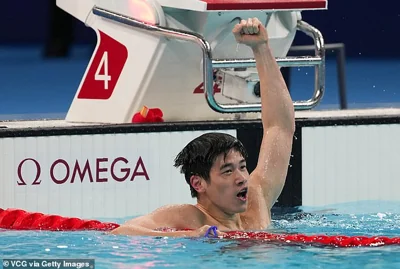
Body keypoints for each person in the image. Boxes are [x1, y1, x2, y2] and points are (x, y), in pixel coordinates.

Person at [110, 18, 295, 237]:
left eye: (242, 166)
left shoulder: (257, 200)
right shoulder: (189, 217)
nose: (242, 178)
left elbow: (280, 128)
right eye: (228, 171)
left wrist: (261, 48)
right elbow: (122, 232)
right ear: (198, 183)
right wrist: (189, 235)